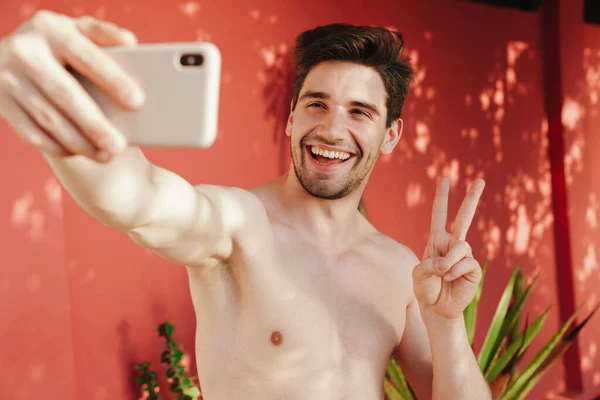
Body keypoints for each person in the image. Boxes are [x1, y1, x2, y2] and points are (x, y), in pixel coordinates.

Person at [0, 10, 492, 400]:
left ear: (390, 135)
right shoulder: (239, 224)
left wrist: (447, 324)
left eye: (359, 112)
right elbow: (137, 199)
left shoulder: (400, 269)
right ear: (291, 117)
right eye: (316, 103)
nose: (333, 129)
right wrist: (65, 112)